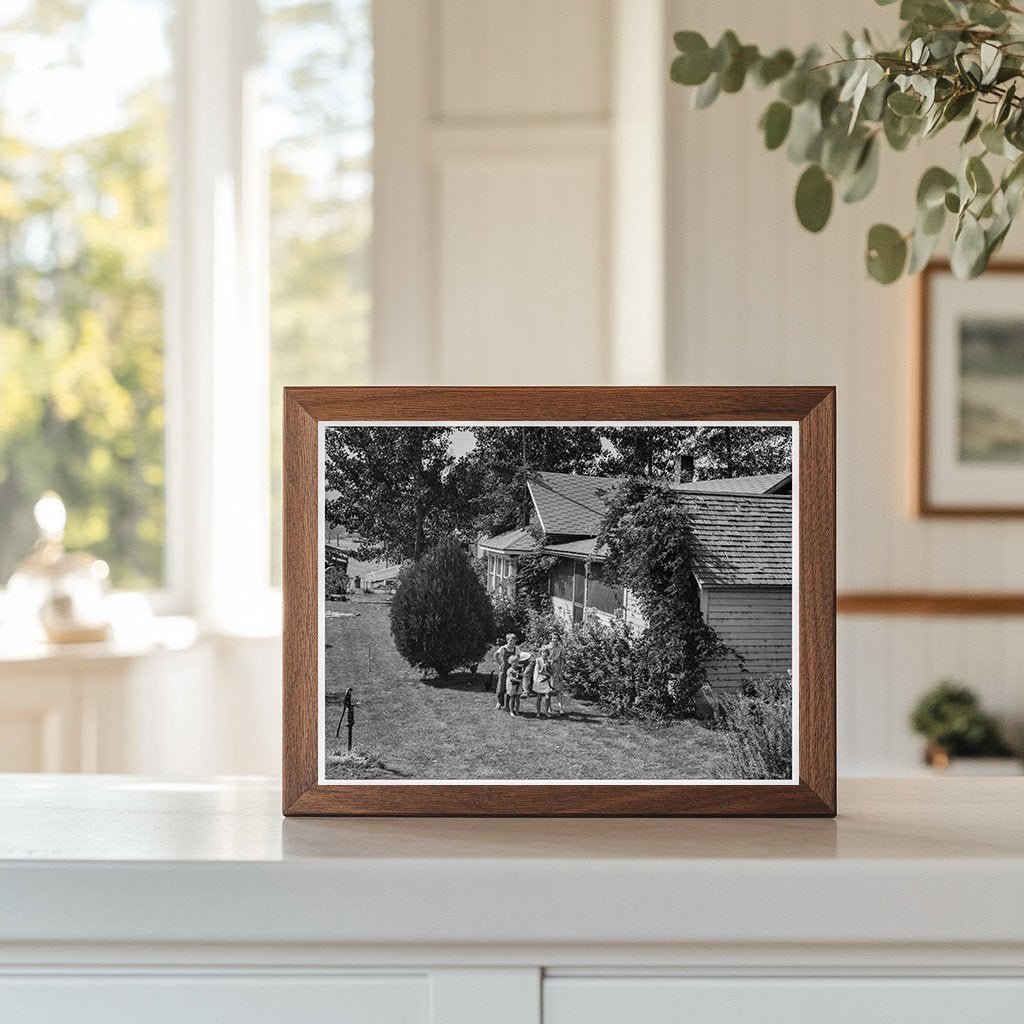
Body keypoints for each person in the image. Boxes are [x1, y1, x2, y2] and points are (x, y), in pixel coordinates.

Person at [494, 633, 517, 710]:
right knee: (501, 687)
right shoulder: (503, 648)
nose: (512, 643)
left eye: (514, 641)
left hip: (512, 671)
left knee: (510, 688)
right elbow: (495, 655)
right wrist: (500, 663)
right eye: (510, 641)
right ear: (507, 641)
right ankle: (500, 702)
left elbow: (518, 658)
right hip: (504, 670)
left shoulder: (516, 649)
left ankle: (508, 705)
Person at [546, 635, 567, 714]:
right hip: (548, 668)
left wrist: (561, 672)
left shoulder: (561, 648)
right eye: (553, 638)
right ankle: (548, 707)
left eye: (557, 638)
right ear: (550, 639)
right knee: (548, 689)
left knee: (559, 689)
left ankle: (561, 708)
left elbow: (562, 661)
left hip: (557, 667)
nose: (555, 640)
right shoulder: (546, 647)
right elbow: (543, 658)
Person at [506, 652, 529, 717]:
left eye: (517, 662)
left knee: (518, 698)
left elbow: (523, 675)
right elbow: (511, 678)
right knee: (512, 698)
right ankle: (511, 711)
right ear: (511, 663)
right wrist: (518, 680)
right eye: (514, 662)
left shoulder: (519, 670)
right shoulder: (510, 670)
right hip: (511, 686)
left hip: (518, 685)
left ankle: (517, 711)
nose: (515, 664)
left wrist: (521, 673)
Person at [532, 648, 552, 716]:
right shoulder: (538, 660)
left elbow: (551, 672)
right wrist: (543, 668)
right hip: (539, 680)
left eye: (546, 652)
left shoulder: (548, 661)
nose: (545, 654)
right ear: (541, 653)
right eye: (543, 652)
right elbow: (539, 672)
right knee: (539, 697)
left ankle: (546, 712)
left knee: (548, 697)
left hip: (546, 680)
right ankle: (538, 712)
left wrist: (548, 667)